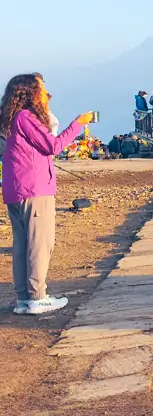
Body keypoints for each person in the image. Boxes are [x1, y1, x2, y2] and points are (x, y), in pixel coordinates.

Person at [1, 74, 94, 315]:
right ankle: (38, 297)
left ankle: (24, 298)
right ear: (30, 92)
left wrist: (45, 107)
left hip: (16, 189)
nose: (46, 93)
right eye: (42, 90)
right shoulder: (26, 117)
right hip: (34, 188)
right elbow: (53, 145)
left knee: (22, 245)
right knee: (40, 244)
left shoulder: (12, 118)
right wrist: (78, 123)